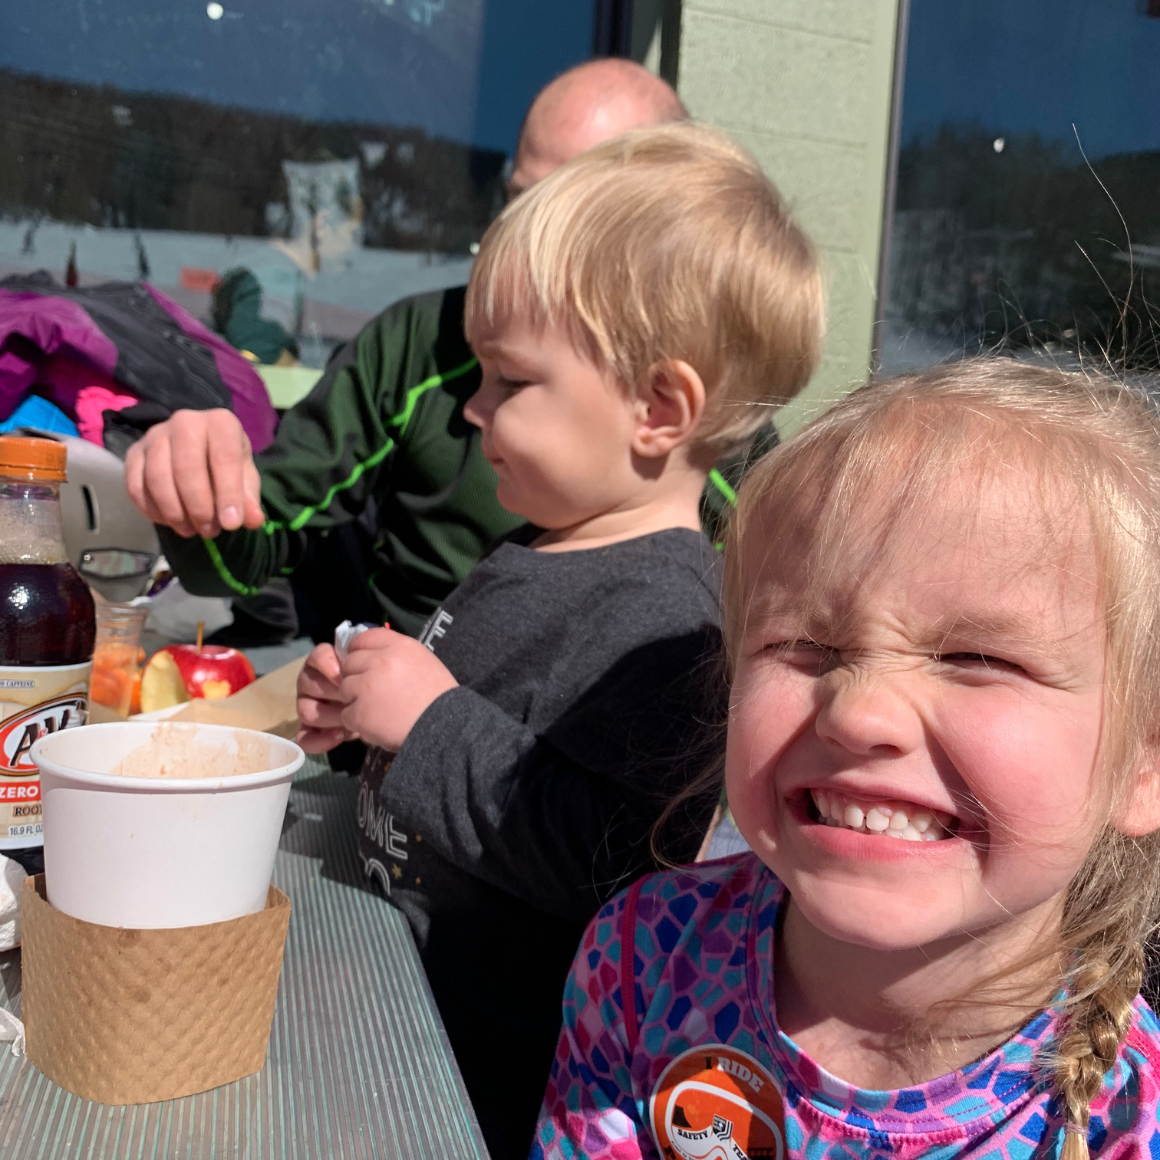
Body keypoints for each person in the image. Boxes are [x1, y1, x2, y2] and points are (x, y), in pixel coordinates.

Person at [296, 123, 824, 1158]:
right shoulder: (539, 545)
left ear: (656, 408)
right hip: (392, 1002)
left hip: (484, 1078)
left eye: (508, 380)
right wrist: (364, 720)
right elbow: (485, 723)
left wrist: (427, 719)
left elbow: (617, 861)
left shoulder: (664, 622)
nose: (469, 406)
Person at [531, 360, 1160, 1160]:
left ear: (1144, 766)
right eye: (802, 644)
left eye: (974, 655)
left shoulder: (1127, 1124)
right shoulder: (646, 957)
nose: (858, 711)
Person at [123, 59, 706, 644]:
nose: (518, 239)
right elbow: (254, 546)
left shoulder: (716, 416)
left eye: (566, 212)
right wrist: (194, 493)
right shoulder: (419, 341)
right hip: (391, 705)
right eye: (516, 202)